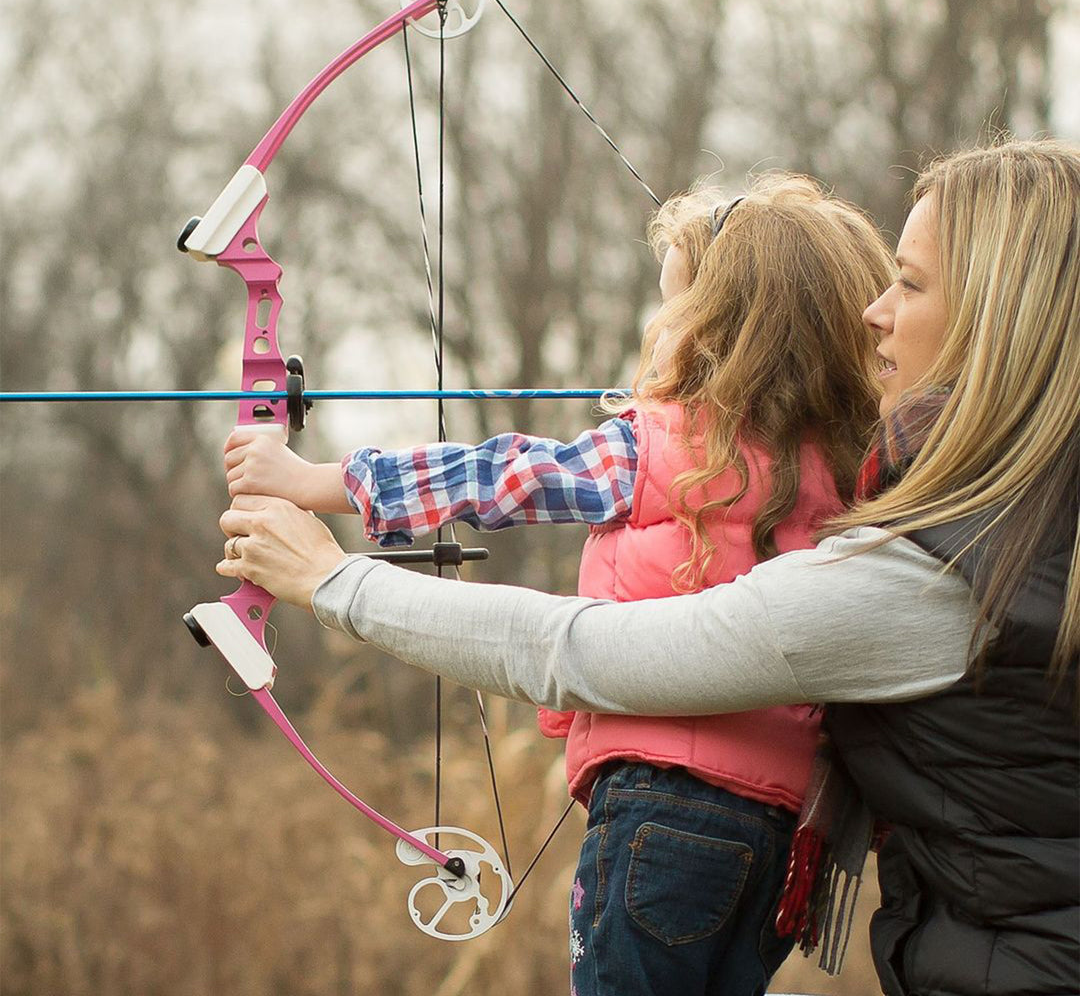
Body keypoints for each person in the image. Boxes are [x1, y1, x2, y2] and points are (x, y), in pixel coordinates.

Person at [218, 138, 1080, 996]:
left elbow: (558, 612)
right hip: (782, 851)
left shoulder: (933, 571)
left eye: (912, 283)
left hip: (669, 826)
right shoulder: (873, 488)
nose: (875, 313)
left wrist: (326, 557)